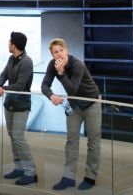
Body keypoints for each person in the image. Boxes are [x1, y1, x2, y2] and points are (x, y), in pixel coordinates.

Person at [42, 38, 101, 191]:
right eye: (56, 52)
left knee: (93, 142)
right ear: (52, 54)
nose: (59, 54)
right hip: (74, 106)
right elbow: (44, 85)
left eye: (61, 50)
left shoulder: (77, 65)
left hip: (91, 103)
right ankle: (68, 177)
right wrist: (51, 95)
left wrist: (61, 73)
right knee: (71, 141)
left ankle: (90, 177)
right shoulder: (52, 65)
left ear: (66, 50)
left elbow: (72, 89)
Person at [0, 31, 36, 185]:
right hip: (10, 103)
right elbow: (4, 74)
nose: (8, 44)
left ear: (14, 45)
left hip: (21, 104)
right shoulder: (11, 59)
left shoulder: (27, 61)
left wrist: (2, 88)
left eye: (9, 42)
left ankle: (30, 172)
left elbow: (20, 85)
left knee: (18, 137)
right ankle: (19, 168)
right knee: (13, 136)